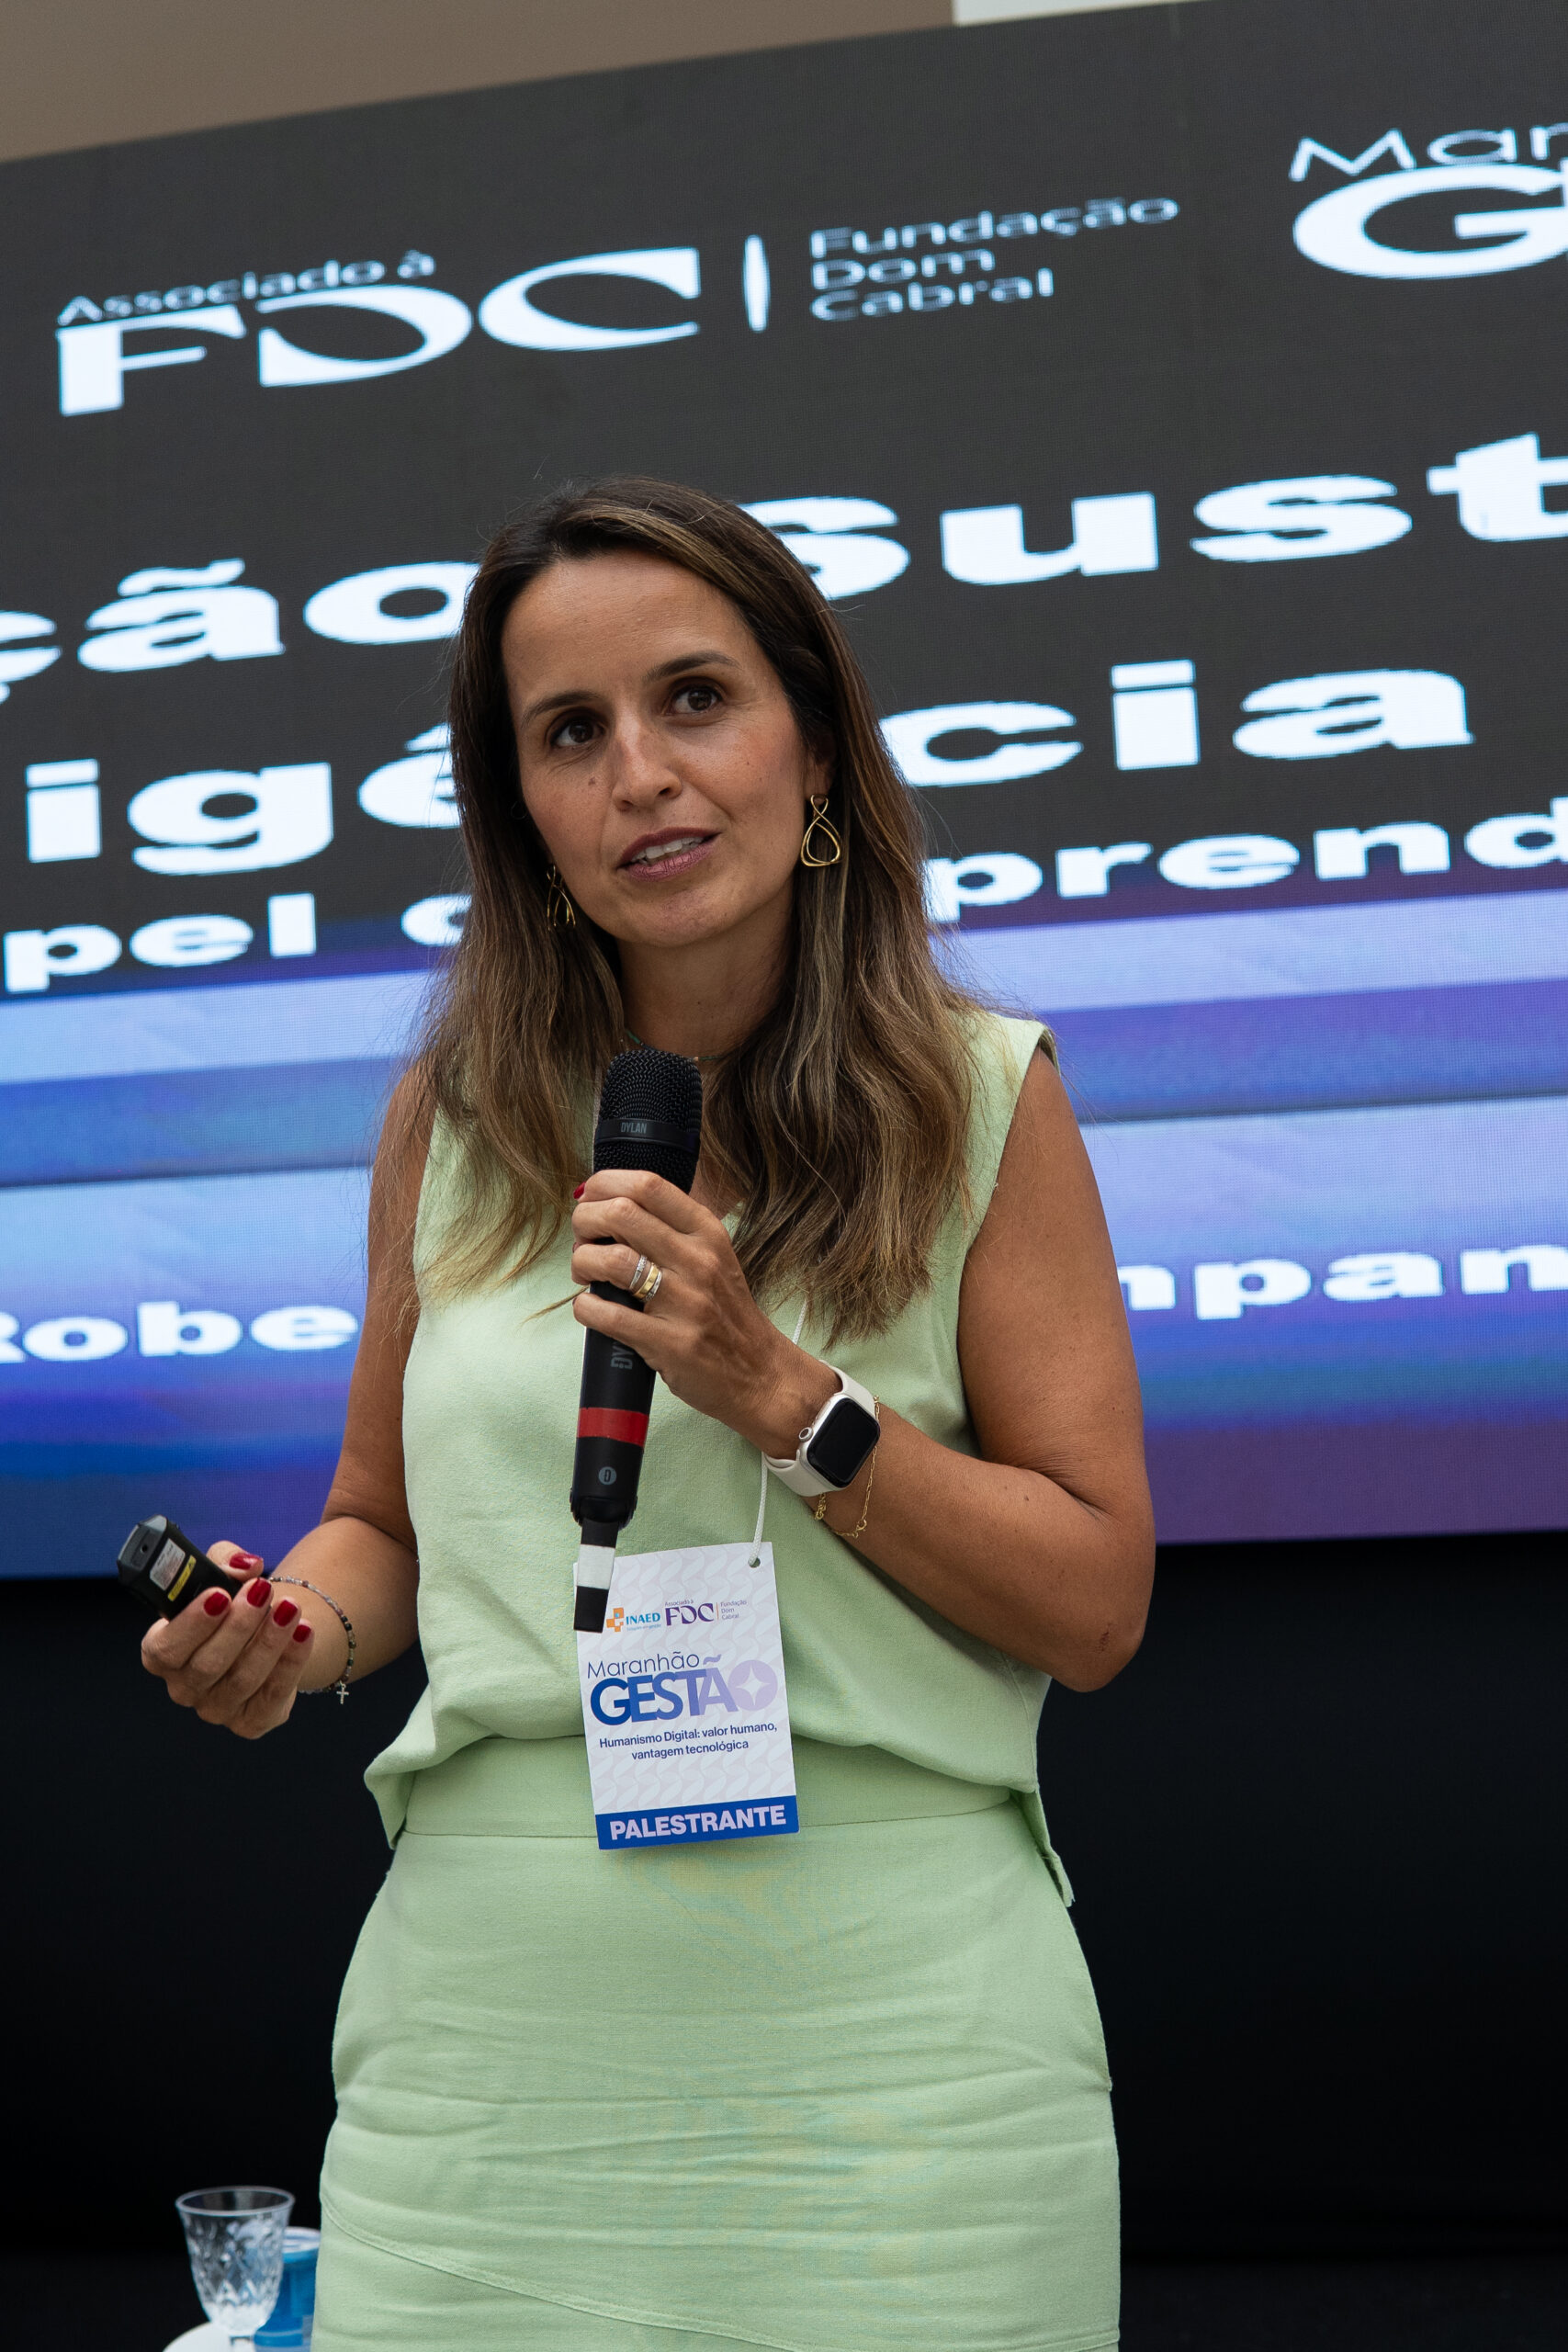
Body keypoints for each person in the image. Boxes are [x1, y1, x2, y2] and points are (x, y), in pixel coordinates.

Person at [141, 478, 1155, 2352]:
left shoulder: (983, 1099)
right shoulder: (451, 1117)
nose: (640, 773)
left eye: (694, 699)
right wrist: (291, 1632)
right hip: (489, 2059)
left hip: (904, 2072)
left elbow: (1094, 1607)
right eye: (569, 732)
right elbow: (380, 1525)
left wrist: (779, 1392)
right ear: (521, 812)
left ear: (814, 747)